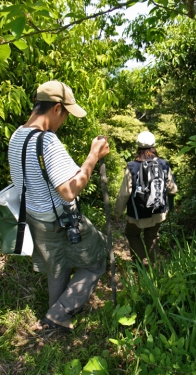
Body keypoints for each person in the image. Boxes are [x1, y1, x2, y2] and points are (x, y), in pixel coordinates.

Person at [8, 80, 110, 332]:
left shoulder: (17, 136)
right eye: (65, 113)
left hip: (34, 216)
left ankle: (56, 313)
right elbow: (69, 190)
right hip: (61, 219)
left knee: (56, 267)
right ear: (56, 108)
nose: (64, 120)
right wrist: (93, 155)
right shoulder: (47, 141)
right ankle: (59, 313)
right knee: (97, 259)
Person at [114, 131, 178, 263]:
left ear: (138, 147)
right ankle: (153, 266)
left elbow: (124, 193)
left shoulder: (132, 166)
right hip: (158, 211)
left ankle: (140, 263)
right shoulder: (164, 164)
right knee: (152, 236)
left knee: (132, 234)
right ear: (154, 146)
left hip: (137, 213)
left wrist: (117, 213)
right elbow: (172, 189)